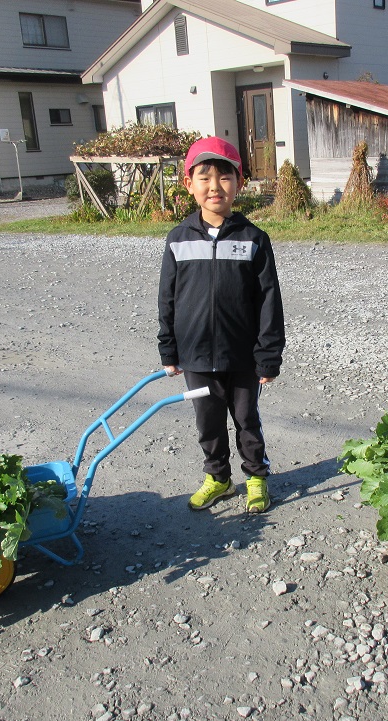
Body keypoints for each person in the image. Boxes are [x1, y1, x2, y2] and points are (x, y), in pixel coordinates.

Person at [158, 136, 286, 513]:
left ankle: (256, 478)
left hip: (242, 354)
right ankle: (218, 478)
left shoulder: (254, 239)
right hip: (196, 356)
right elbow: (167, 299)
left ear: (240, 183)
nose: (215, 186)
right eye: (205, 177)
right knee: (208, 423)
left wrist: (268, 356)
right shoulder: (178, 239)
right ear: (189, 184)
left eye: (225, 177)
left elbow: (268, 301)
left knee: (247, 420)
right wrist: (169, 349)